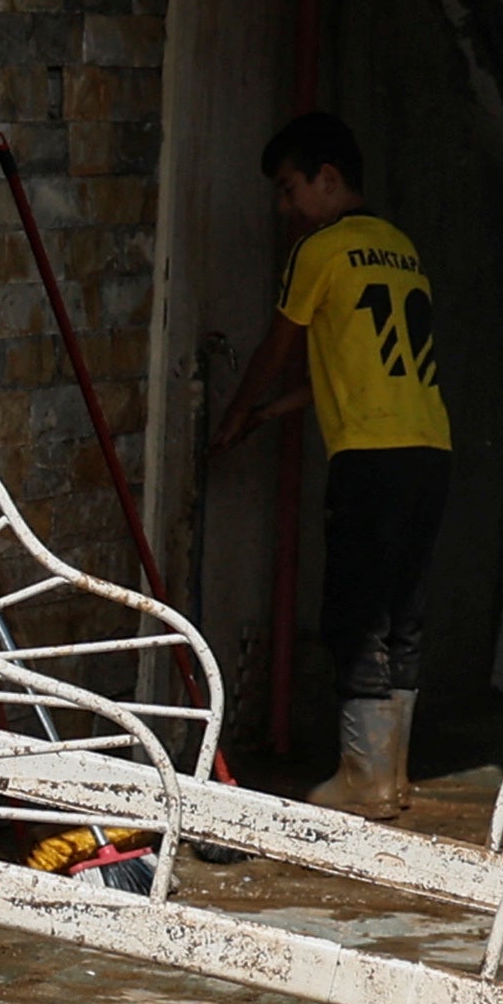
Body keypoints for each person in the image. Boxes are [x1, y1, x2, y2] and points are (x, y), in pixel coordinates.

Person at [205, 110, 452, 818]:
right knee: (404, 613)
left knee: (356, 613)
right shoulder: (400, 248)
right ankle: (393, 775)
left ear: (329, 179)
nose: (286, 208)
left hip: (369, 458)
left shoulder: (322, 249)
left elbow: (275, 350)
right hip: (430, 448)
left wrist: (232, 415)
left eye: (290, 190)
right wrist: (268, 417)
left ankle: (362, 778)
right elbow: (343, 368)